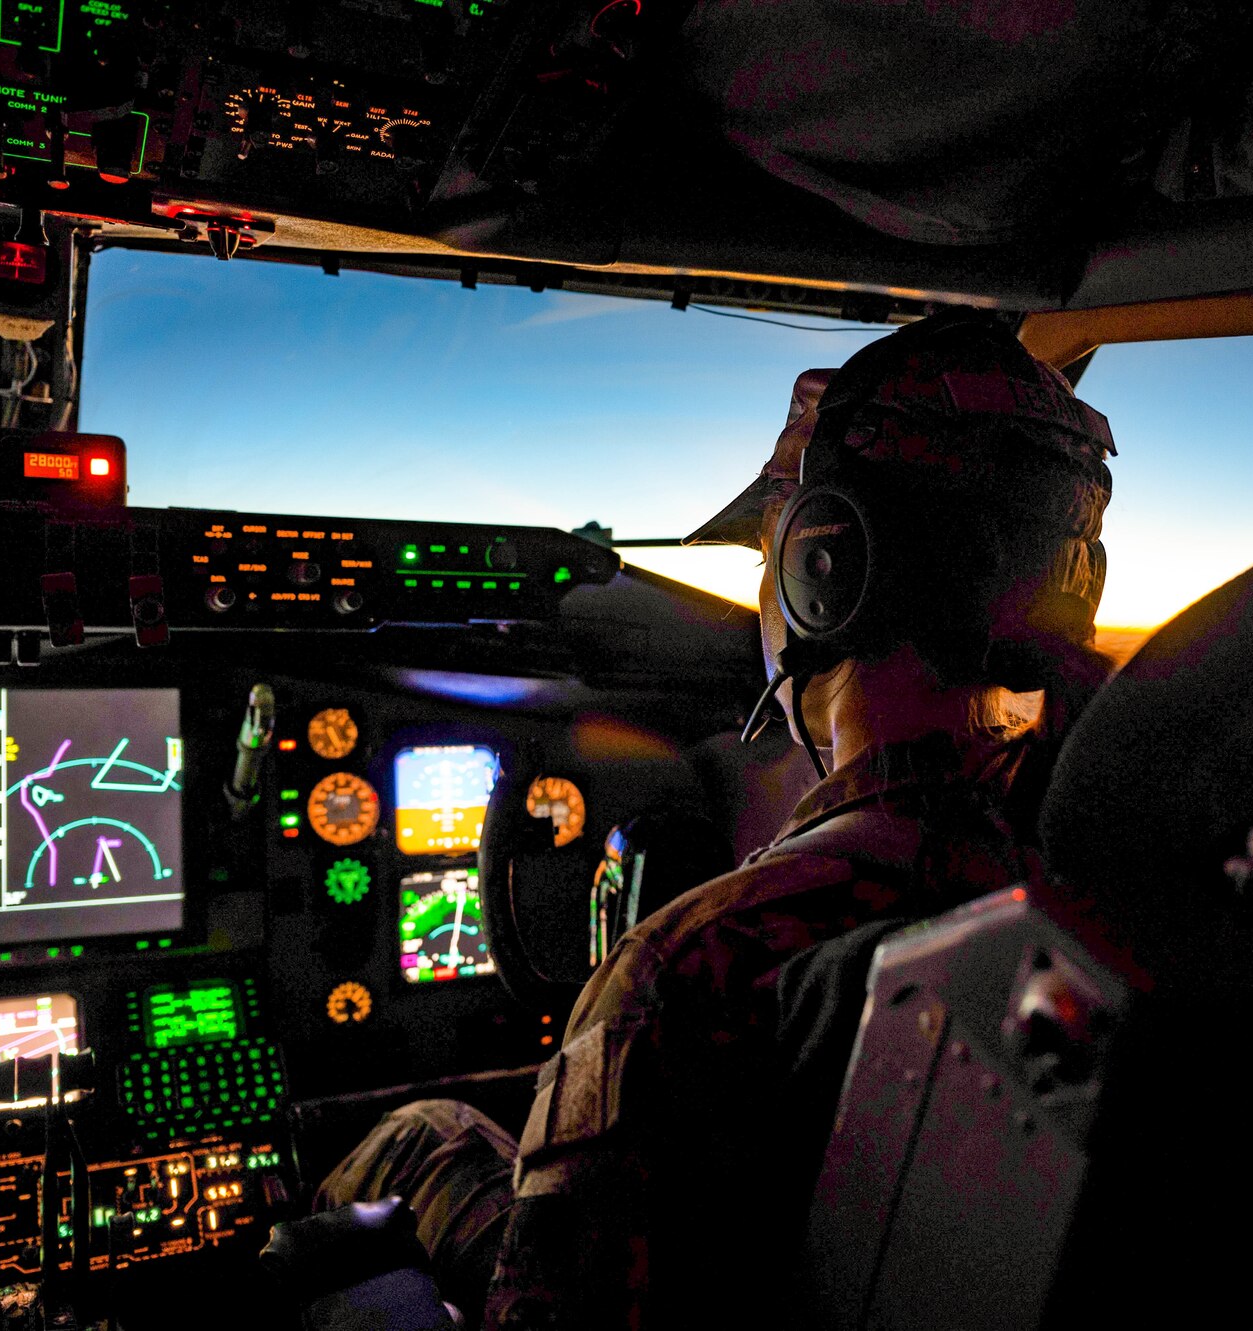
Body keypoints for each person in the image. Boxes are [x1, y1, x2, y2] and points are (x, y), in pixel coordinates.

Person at [308, 309, 1118, 1329]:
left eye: (765, 555)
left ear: (823, 568)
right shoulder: (1104, 877)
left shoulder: (690, 965)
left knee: (422, 1133)